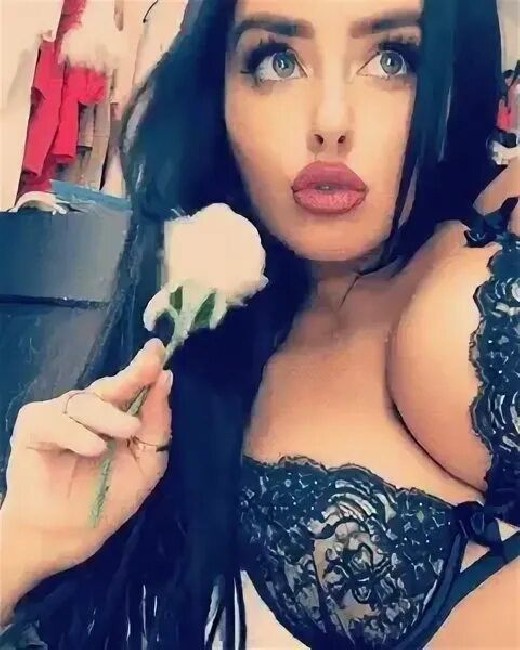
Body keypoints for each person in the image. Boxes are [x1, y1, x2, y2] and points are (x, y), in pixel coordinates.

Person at [1, 0, 519, 648]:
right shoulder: (217, 330)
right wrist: (24, 543)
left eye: (393, 59)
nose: (330, 122)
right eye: (278, 61)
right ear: (216, 91)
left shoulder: (474, 301)